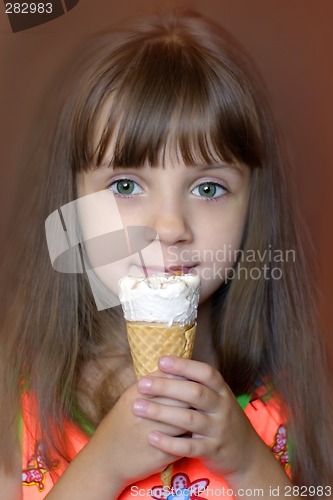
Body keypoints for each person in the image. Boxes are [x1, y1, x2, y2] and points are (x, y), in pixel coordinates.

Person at [0, 10, 332, 499]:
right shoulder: (19, 408)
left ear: (252, 209)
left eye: (208, 187)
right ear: (69, 204)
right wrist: (105, 465)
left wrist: (247, 463)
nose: (170, 227)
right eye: (127, 184)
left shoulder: (287, 406)